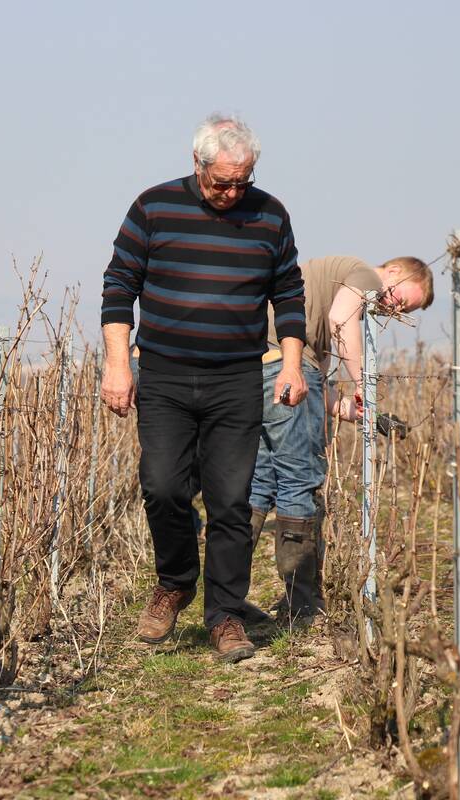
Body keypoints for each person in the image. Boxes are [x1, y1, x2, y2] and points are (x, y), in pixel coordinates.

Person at [101, 114, 307, 664]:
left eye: (244, 180)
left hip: (237, 376)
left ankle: (225, 617)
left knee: (231, 501)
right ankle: (175, 581)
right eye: (222, 182)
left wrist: (291, 365)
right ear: (197, 165)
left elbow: (288, 292)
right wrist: (117, 364)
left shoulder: (270, 215)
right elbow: (120, 285)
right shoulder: (153, 207)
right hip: (164, 373)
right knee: (163, 485)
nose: (233, 192)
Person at [247, 255, 433, 627]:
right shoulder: (365, 275)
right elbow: (342, 319)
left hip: (255, 361)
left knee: (260, 481)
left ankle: (225, 602)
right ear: (393, 271)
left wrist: (355, 409)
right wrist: (365, 379)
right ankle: (302, 608)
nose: (393, 308)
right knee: (300, 479)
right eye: (399, 299)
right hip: (283, 364)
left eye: (403, 310)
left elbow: (315, 380)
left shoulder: (326, 287)